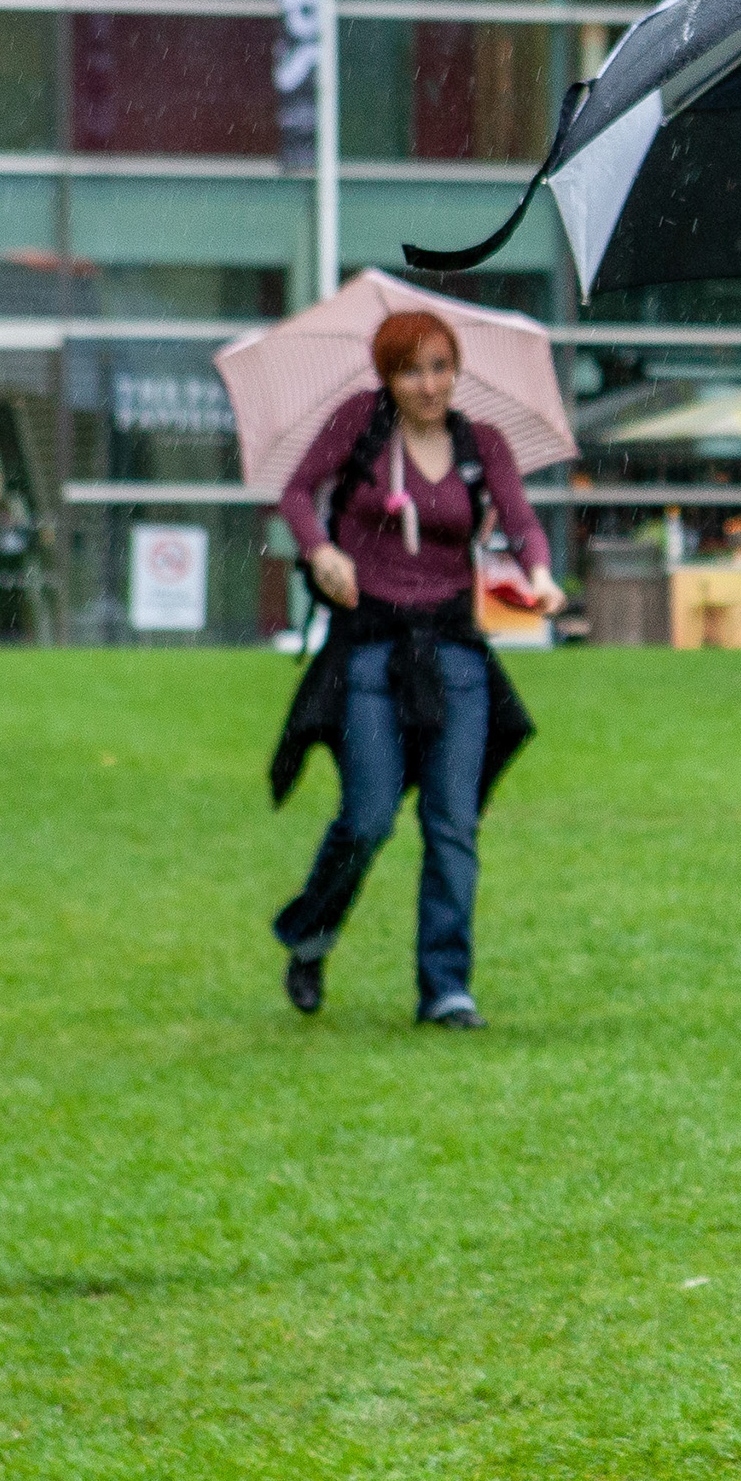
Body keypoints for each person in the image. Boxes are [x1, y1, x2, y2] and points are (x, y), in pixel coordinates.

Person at [267, 310, 566, 1027]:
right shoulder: (358, 429)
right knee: (368, 817)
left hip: (453, 649)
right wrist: (322, 552)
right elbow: (295, 494)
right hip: (370, 645)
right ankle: (312, 933)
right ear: (386, 376)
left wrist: (542, 575)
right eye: (410, 369)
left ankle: (446, 989)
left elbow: (520, 520)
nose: (428, 384)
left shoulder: (480, 444)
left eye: (440, 366)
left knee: (452, 822)